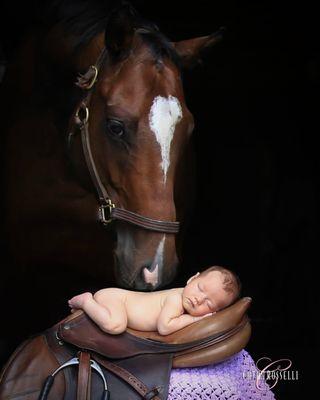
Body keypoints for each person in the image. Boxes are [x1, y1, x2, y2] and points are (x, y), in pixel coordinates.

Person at [68, 266, 241, 336]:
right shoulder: (175, 299)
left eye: (208, 304)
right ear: (192, 279)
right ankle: (86, 301)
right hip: (116, 298)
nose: (198, 299)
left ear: (215, 312)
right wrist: (195, 319)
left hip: (117, 299)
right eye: (200, 289)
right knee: (115, 325)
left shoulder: (185, 299)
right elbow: (164, 327)